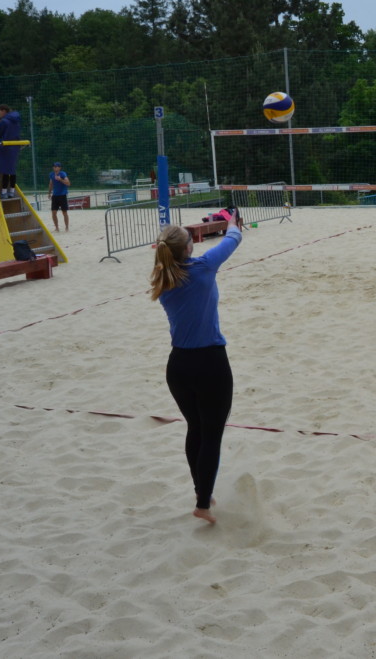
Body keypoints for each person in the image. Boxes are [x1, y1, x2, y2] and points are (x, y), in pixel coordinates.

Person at [150, 210, 245, 525]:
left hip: (178, 366)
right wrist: (232, 221)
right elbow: (233, 239)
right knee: (212, 434)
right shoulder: (203, 267)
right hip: (210, 362)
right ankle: (203, 504)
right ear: (189, 248)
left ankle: (201, 492)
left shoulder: (163, 276)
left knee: (196, 428)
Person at [0, 105, 23, 199]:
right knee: (12, 169)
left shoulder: (4, 121)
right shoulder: (16, 120)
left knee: (4, 170)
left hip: (5, 147)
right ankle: (12, 191)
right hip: (15, 146)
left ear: (4, 111)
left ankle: (4, 191)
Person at [48, 162, 71, 232]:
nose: (55, 167)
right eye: (54, 166)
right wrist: (49, 193)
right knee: (53, 212)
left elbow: (68, 183)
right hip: (55, 195)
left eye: (56, 166)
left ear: (60, 168)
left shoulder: (63, 174)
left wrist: (60, 179)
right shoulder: (51, 174)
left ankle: (67, 227)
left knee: (64, 212)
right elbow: (51, 184)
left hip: (62, 195)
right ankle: (57, 228)